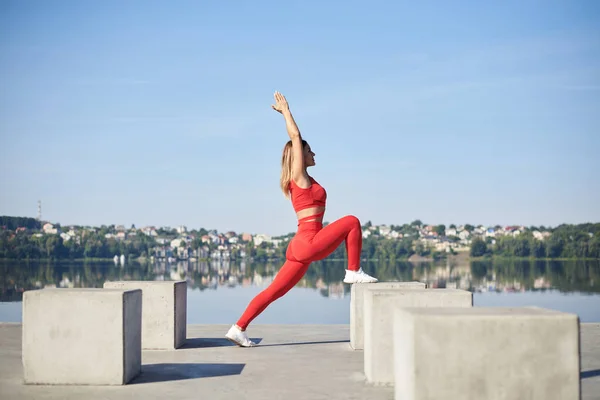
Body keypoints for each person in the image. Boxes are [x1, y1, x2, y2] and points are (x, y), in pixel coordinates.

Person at [225, 91, 378, 347]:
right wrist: (286, 111)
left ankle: (238, 328)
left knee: (273, 291)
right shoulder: (300, 178)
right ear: (299, 156)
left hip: (300, 247)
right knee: (352, 221)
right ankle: (353, 271)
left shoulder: (301, 181)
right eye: (309, 151)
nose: (313, 154)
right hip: (308, 242)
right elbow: (295, 136)